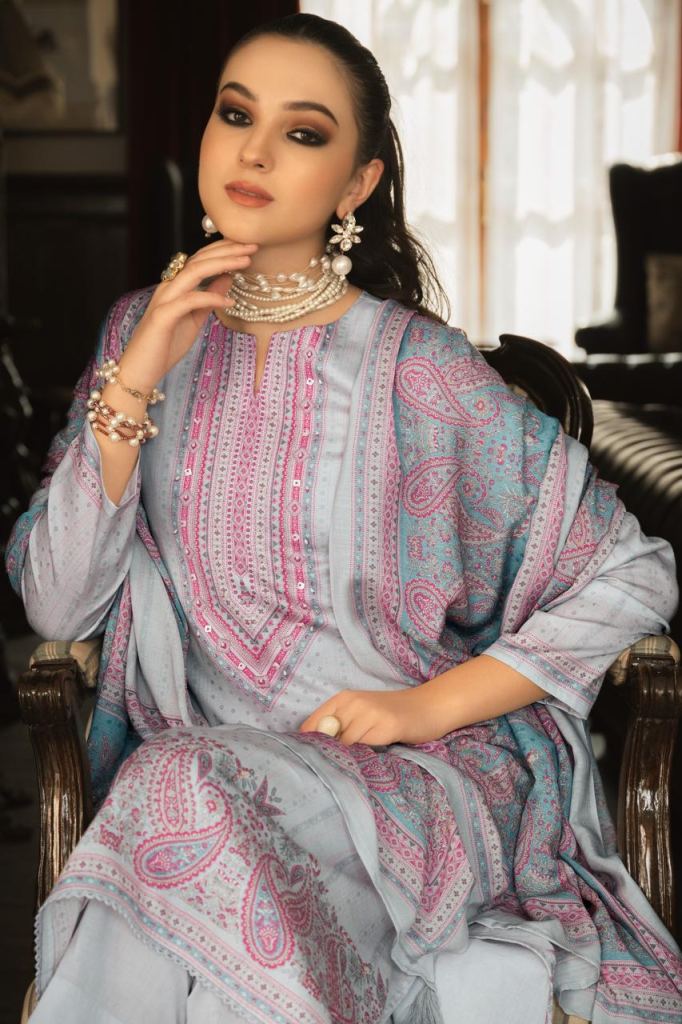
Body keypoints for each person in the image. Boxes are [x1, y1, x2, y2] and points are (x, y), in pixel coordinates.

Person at [6, 12, 682, 1024]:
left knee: (170, 804)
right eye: (236, 113)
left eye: (303, 131)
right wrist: (137, 375)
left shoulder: (420, 370)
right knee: (181, 803)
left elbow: (633, 571)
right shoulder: (136, 336)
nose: (254, 151)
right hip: (202, 778)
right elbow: (58, 602)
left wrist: (429, 707)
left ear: (357, 182)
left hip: (401, 785)